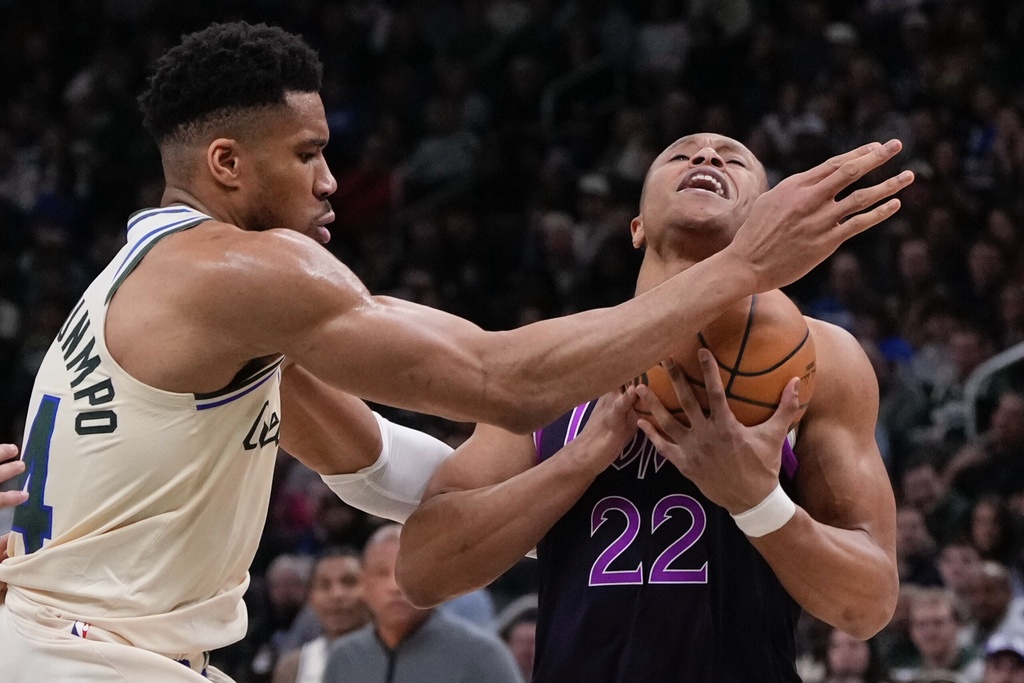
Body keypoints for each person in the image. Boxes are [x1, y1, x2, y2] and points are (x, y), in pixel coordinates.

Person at [0, 22, 911, 683]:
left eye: (733, 158)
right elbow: (497, 381)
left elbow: (374, 469)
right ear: (229, 164)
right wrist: (577, 458)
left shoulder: (164, 285)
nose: (331, 182)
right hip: (97, 656)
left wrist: (746, 494)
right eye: (312, 154)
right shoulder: (241, 272)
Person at [397, 133, 903, 681]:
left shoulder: (823, 359)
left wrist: (757, 500)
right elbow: (423, 569)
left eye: (733, 159)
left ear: (766, 224)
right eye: (681, 155)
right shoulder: (557, 361)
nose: (707, 157)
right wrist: (580, 457)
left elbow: (869, 604)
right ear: (636, 227)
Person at [321, 525, 521, 683]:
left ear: (434, 578)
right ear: (363, 583)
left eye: (409, 571)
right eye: (382, 573)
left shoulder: (482, 654)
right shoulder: (344, 657)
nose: (395, 586)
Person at [272, 547, 369, 683]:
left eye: (349, 582)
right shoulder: (294, 667)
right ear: (310, 598)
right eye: (324, 585)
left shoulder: (396, 655)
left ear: (372, 588)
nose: (336, 594)